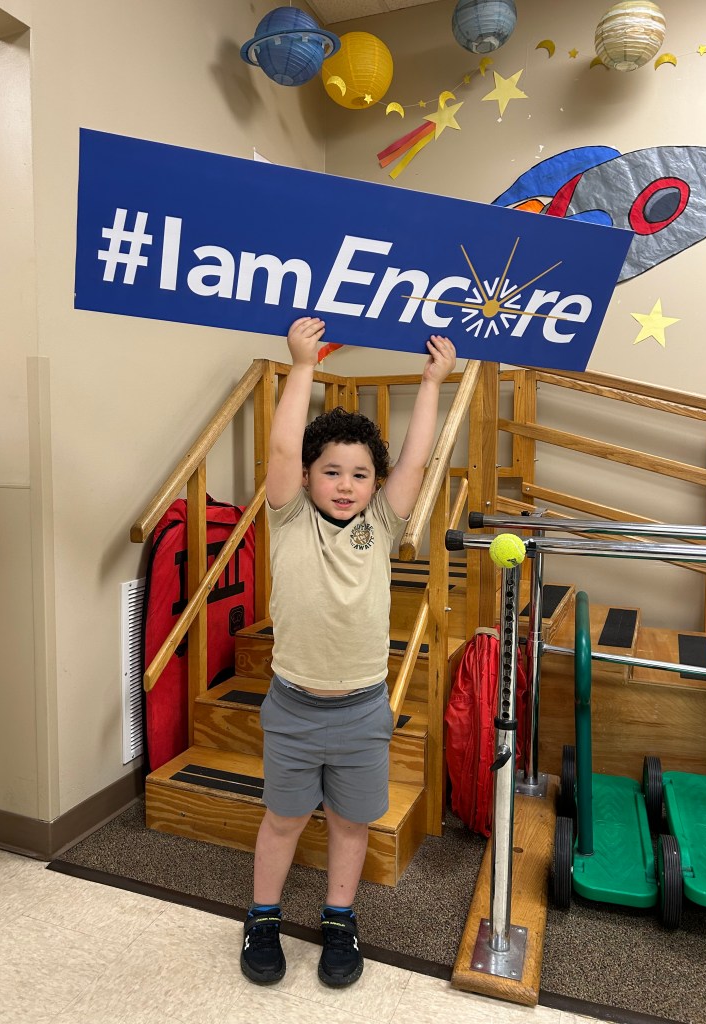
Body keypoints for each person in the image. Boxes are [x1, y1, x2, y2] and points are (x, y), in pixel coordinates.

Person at [240, 316, 456, 988]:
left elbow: (415, 462)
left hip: (363, 711)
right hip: (293, 708)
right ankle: (263, 917)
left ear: (373, 484)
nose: (344, 484)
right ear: (306, 477)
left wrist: (432, 383)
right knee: (283, 820)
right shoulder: (288, 516)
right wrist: (303, 366)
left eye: (359, 475)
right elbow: (281, 448)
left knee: (351, 823)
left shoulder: (381, 524)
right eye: (330, 471)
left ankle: (339, 919)